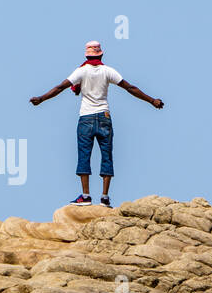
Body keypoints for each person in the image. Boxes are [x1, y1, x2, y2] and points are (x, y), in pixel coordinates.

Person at [30, 41, 164, 206]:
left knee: (84, 155)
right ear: (101, 54)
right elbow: (130, 88)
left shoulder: (81, 71)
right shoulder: (108, 71)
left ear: (86, 55)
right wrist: (152, 100)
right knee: (106, 155)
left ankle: (85, 196)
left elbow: (60, 88)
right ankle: (105, 197)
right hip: (104, 117)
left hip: (86, 117)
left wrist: (41, 99)